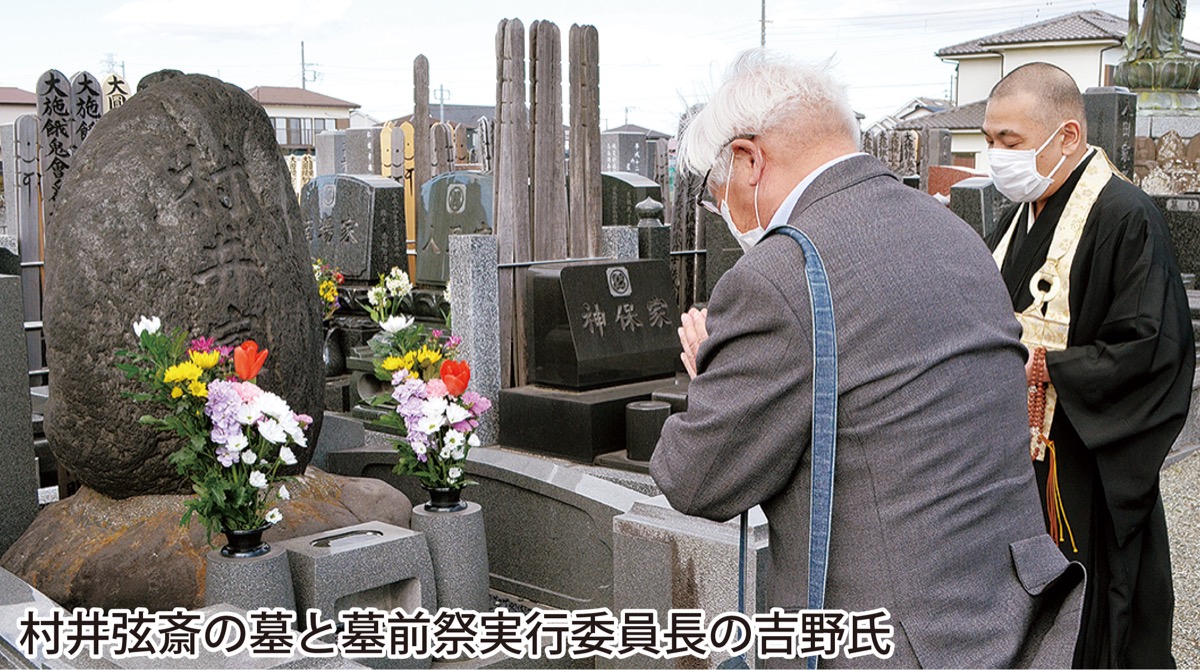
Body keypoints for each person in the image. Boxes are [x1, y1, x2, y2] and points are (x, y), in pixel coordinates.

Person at [649, 49, 1083, 668]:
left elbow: (695, 479)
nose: (727, 215)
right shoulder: (955, 235)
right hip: (1010, 613)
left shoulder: (781, 274)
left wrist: (710, 373)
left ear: (748, 160)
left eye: (720, 196)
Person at [983, 62, 1194, 668]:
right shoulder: (1020, 214)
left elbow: (1152, 348)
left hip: (1083, 461)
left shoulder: (1126, 215)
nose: (997, 157)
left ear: (1067, 136)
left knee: (1093, 615)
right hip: (1016, 458)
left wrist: (1052, 368)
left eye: (1010, 141)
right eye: (990, 140)